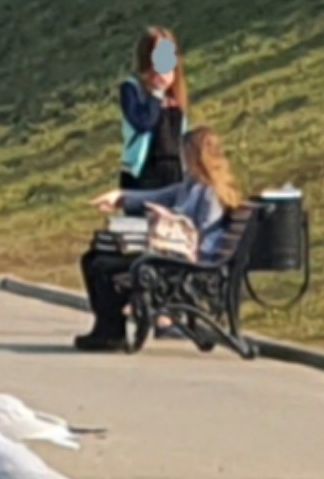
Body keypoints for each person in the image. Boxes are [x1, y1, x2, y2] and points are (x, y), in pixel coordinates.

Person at [75, 127, 243, 352]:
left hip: (188, 261)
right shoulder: (191, 185)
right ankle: (106, 329)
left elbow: (204, 236)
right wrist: (120, 198)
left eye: (185, 153)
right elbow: (157, 196)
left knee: (104, 266)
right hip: (171, 253)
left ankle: (111, 332)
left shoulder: (210, 192)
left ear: (196, 155)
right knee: (93, 257)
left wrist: (174, 224)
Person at [119, 26, 189, 190]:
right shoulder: (131, 89)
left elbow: (182, 136)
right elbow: (143, 123)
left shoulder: (175, 95)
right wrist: (157, 93)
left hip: (173, 174)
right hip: (142, 172)